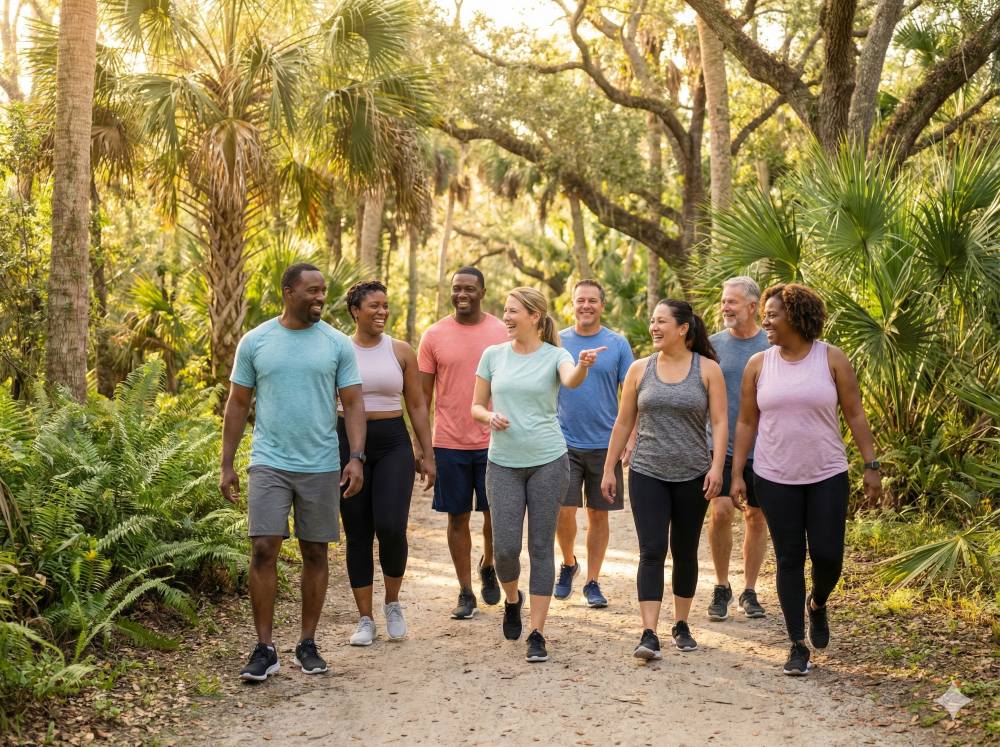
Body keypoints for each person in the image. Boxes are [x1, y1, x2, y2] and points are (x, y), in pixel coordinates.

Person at [220, 263, 366, 681]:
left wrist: (356, 456)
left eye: (323, 290)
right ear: (288, 292)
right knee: (264, 547)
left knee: (315, 551)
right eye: (312, 290)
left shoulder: (336, 344)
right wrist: (227, 462)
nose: (320, 297)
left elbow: (353, 402)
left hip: (320, 463)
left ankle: (307, 643)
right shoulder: (257, 341)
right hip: (269, 461)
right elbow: (237, 402)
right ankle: (264, 648)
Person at [730, 283, 881, 676]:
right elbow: (746, 421)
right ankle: (797, 644)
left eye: (773, 314)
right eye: (765, 314)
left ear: (797, 317)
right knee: (789, 557)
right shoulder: (759, 364)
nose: (765, 321)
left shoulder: (831, 358)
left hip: (826, 473)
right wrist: (736, 473)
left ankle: (817, 602)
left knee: (828, 556)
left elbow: (855, 412)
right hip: (774, 475)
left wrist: (871, 464)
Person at [471, 287, 605, 663]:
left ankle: (537, 632)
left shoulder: (556, 355)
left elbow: (571, 379)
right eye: (505, 310)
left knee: (541, 547)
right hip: (503, 464)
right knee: (506, 549)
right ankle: (513, 599)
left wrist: (584, 365)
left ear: (534, 316)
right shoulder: (493, 355)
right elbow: (476, 406)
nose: (506, 317)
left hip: (548, 460)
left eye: (513, 311)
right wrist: (489, 416)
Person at [601, 300, 727, 661]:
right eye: (652, 321)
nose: (654, 327)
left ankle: (681, 624)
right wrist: (609, 468)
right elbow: (623, 422)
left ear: (682, 328)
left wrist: (717, 467)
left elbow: (720, 422)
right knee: (652, 550)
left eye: (661, 322)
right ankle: (649, 633)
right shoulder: (640, 369)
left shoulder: (708, 369)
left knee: (685, 551)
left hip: (693, 473)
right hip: (647, 471)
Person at [338, 280, 436, 647]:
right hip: (347, 442)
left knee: (392, 527)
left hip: (393, 441)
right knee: (358, 531)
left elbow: (417, 405)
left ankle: (392, 603)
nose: (382, 312)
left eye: (385, 306)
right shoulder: (340, 350)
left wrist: (427, 452)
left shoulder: (401, 350)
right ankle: (365, 618)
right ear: (355, 311)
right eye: (374, 306)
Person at [418, 267, 508, 619]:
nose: (462, 294)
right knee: (457, 518)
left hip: (495, 441)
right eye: (457, 288)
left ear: (482, 292)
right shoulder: (433, 335)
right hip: (449, 443)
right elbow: (422, 398)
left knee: (495, 515)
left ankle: (488, 563)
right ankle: (465, 591)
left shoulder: (501, 332)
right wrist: (422, 447)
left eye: (469, 288)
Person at [554, 280, 634, 607]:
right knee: (563, 510)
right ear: (572, 304)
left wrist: (631, 436)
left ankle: (592, 582)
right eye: (580, 300)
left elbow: (631, 394)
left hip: (606, 444)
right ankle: (569, 563)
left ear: (602, 305)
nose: (586, 305)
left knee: (598, 515)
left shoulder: (617, 344)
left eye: (592, 301)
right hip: (563, 442)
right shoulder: (557, 341)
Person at [706, 277, 771, 621]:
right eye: (723, 301)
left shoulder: (772, 345)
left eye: (732, 301)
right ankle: (721, 586)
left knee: (755, 516)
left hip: (763, 448)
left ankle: (749, 589)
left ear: (752, 306)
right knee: (720, 512)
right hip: (720, 446)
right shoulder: (712, 346)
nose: (725, 307)